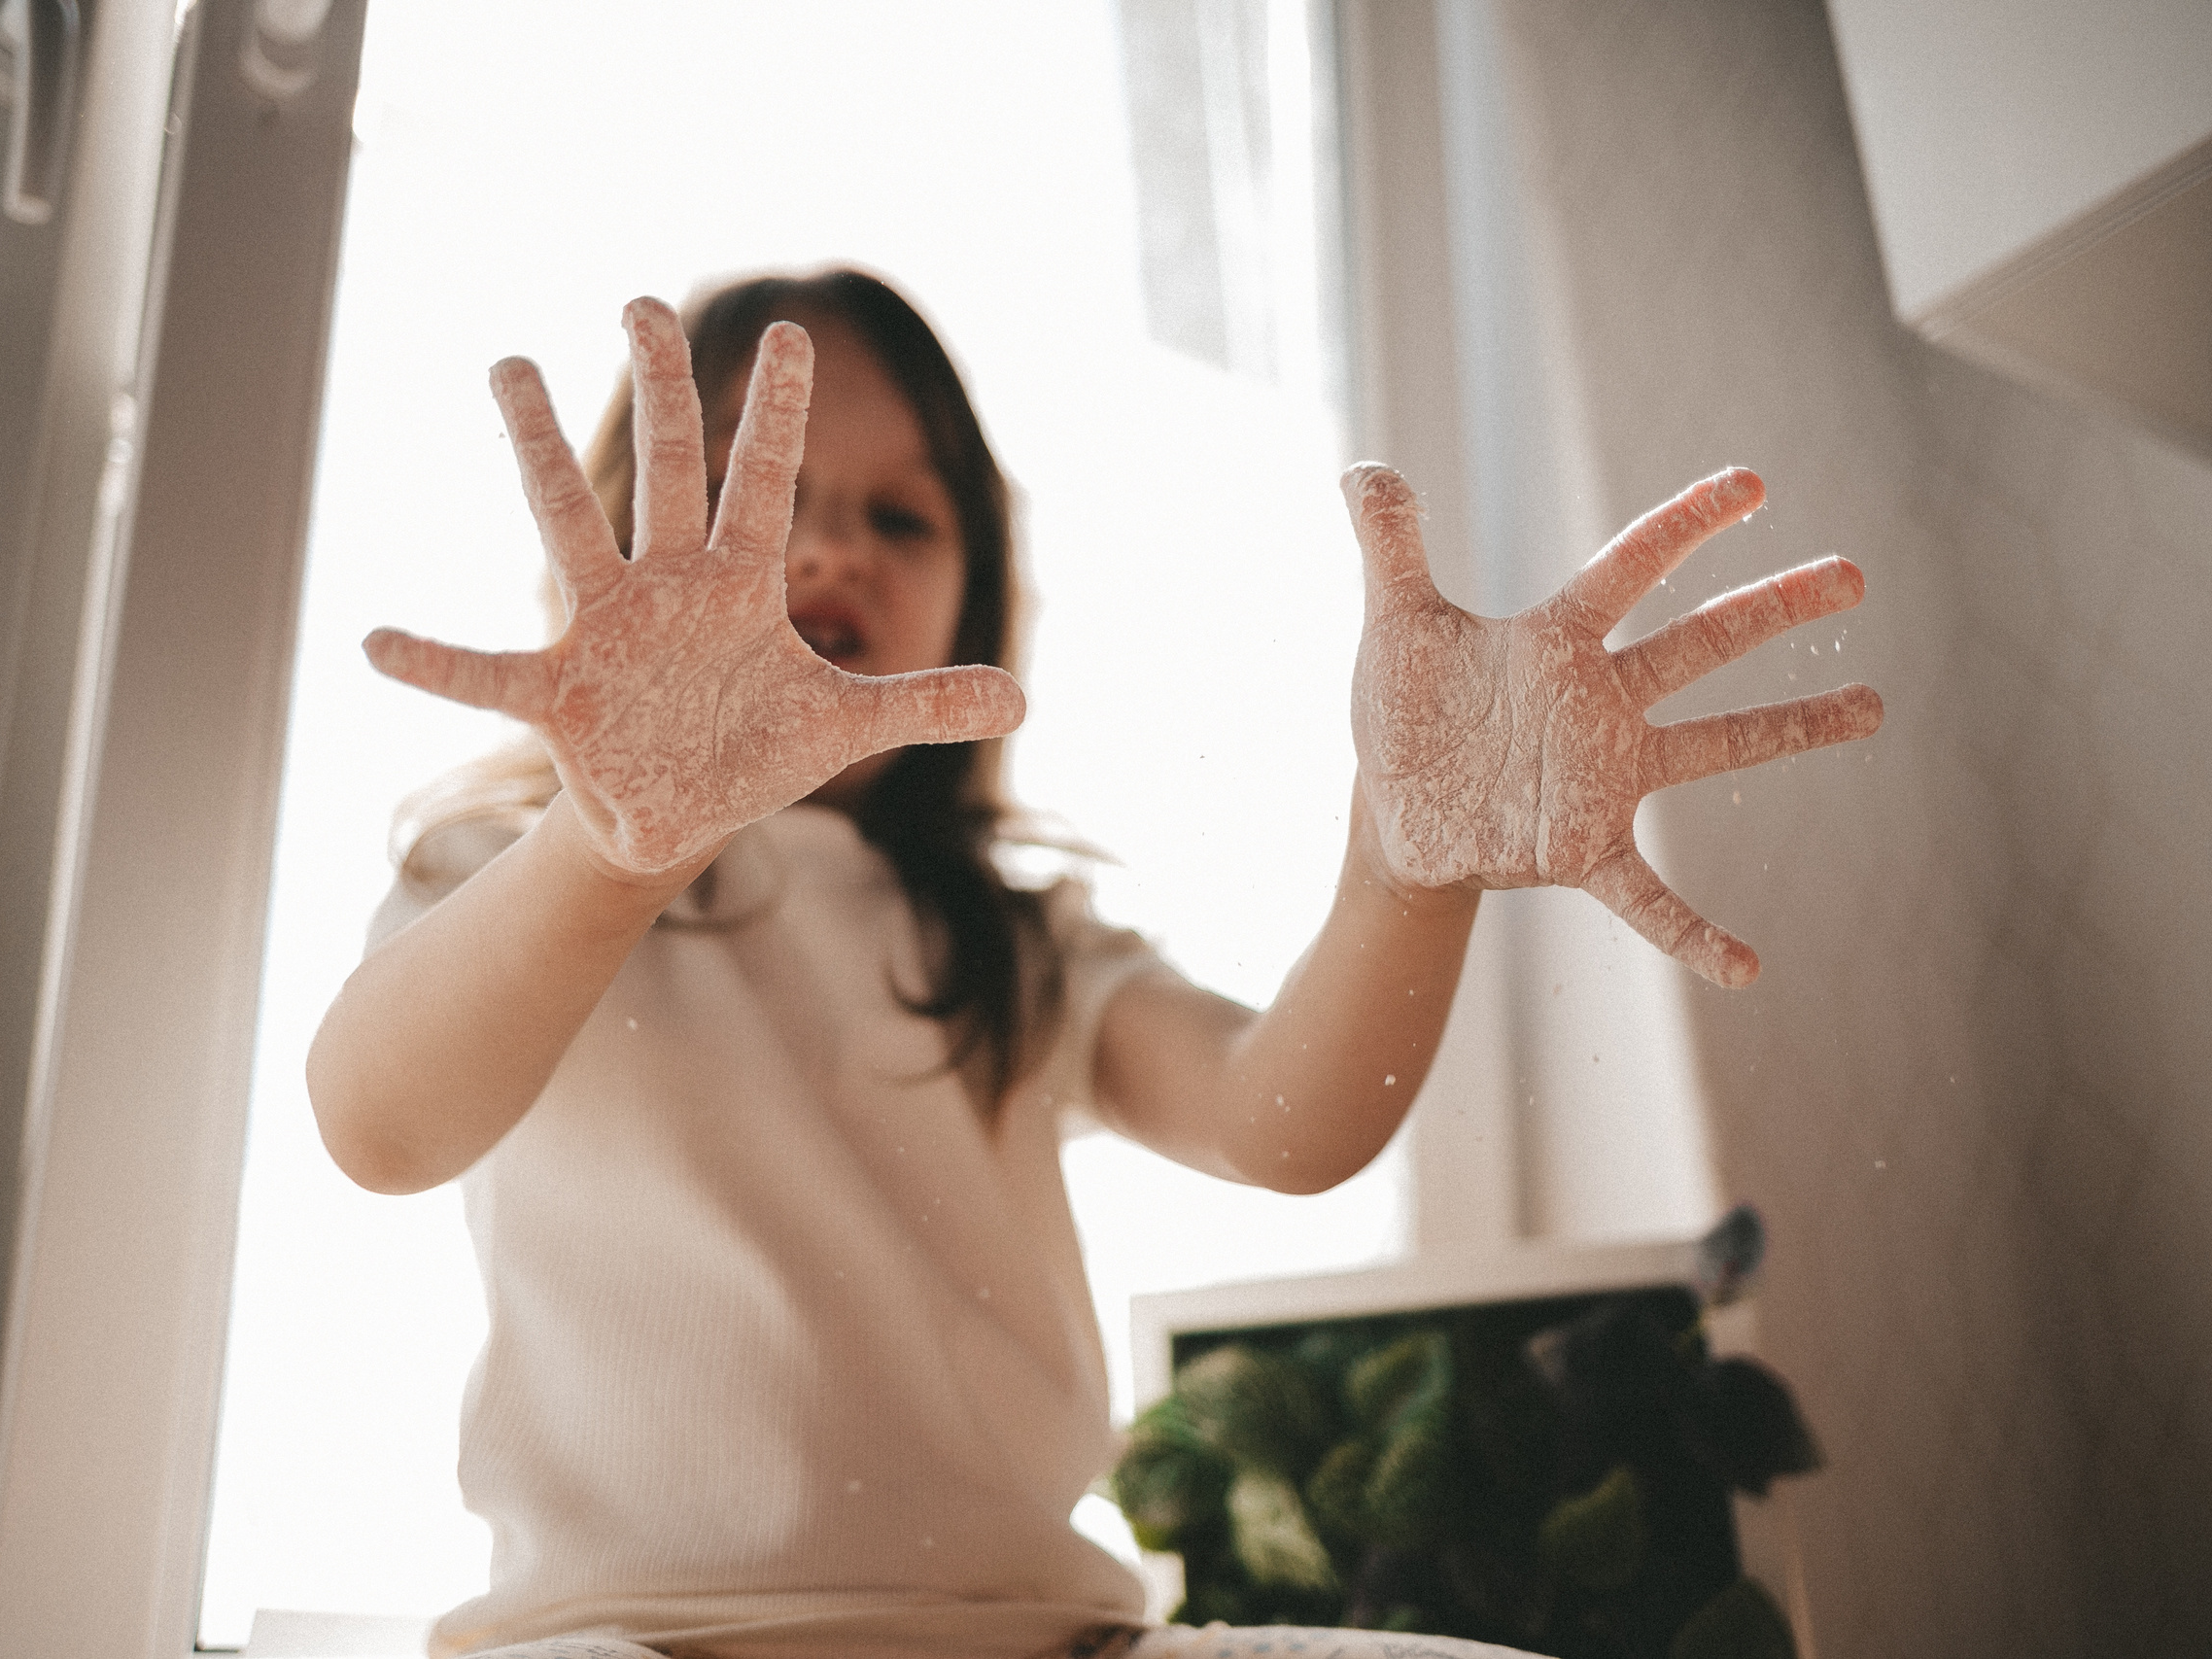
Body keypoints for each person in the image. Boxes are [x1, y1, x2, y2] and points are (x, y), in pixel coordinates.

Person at [307, 269, 1880, 1659]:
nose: (836, 543)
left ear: (973, 595)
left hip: (1043, 1642)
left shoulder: (1016, 941)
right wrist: (611, 846)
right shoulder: (513, 881)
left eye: (904, 516)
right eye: (763, 498)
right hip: (631, 1643)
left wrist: (1407, 876)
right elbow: (379, 1124)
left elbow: (1285, 1122)